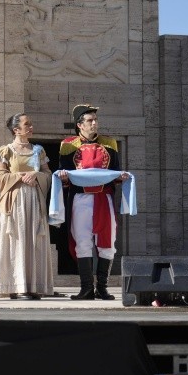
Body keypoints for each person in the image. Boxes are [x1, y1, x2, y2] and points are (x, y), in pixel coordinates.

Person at [59, 104, 130, 300]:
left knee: (108, 242)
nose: (94, 124)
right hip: (80, 198)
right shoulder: (68, 144)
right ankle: (87, 288)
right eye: (90, 121)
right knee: (82, 241)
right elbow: (63, 173)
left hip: (103, 198)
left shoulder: (109, 143)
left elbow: (114, 170)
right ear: (79, 125)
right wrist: (64, 177)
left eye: (95, 120)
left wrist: (120, 177)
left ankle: (103, 288)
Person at [0, 113, 53, 300]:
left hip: (35, 201)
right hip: (15, 203)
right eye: (27, 124)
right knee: (17, 241)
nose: (31, 127)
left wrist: (36, 175)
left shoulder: (39, 150)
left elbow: (48, 175)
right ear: (16, 129)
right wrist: (20, 176)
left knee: (33, 241)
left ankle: (33, 286)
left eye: (31, 124)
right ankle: (16, 286)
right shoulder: (6, 151)